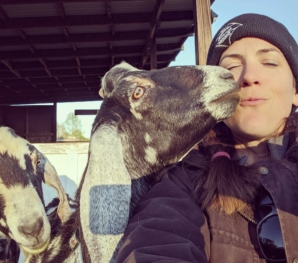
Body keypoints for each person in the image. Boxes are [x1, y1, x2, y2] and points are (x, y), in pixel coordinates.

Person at [114, 13, 298, 263]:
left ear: (296, 90)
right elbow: (155, 244)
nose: (249, 76)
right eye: (231, 67)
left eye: (270, 62)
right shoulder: (185, 181)